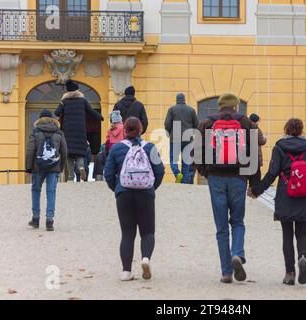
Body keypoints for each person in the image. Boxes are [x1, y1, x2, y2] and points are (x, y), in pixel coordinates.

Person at [249, 118, 306, 286]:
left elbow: (272, 173)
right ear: (301, 130)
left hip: (286, 195)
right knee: (302, 233)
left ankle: (290, 273)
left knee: (287, 235)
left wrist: (256, 190)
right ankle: (303, 257)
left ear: (286, 130)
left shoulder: (279, 147)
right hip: (304, 195)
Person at [194, 93, 259, 284]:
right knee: (238, 222)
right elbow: (255, 154)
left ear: (219, 107)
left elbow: (196, 152)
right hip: (239, 178)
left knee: (221, 227)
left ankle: (226, 272)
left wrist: (206, 172)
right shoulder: (247, 123)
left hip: (216, 178)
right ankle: (237, 253)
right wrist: (254, 183)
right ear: (236, 107)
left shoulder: (207, 123)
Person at [104, 117, 165, 281]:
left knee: (127, 233)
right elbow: (160, 171)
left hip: (124, 193)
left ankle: (126, 272)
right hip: (145, 193)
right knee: (148, 232)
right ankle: (145, 258)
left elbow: (108, 174)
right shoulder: (150, 147)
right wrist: (151, 187)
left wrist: (117, 189)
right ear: (141, 130)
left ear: (124, 130)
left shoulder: (116, 149)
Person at [25, 109, 67, 231]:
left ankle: (36, 219)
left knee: (36, 190)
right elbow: (64, 152)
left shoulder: (35, 131)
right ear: (53, 120)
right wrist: (61, 167)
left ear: (39, 119)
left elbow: (30, 150)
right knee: (51, 192)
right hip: (53, 166)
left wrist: (28, 167)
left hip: (38, 166)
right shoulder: (59, 133)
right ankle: (49, 221)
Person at [55, 80, 103, 182]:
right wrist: (100, 117)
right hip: (80, 132)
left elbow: (56, 113)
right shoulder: (83, 101)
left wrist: (61, 105)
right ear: (77, 90)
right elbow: (91, 111)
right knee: (80, 153)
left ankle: (70, 177)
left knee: (69, 154)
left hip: (68, 132)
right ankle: (81, 167)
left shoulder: (64, 102)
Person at [164, 93, 199, 184]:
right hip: (188, 138)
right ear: (184, 100)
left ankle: (177, 173)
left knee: (173, 159)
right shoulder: (191, 110)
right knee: (186, 160)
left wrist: (169, 132)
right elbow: (197, 124)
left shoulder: (172, 109)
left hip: (175, 137)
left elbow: (167, 123)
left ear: (177, 100)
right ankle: (183, 181)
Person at [248, 113, 267, 186]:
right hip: (255, 154)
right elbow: (261, 141)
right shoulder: (256, 128)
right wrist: (265, 138)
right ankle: (253, 190)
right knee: (256, 175)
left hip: (247, 154)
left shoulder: (246, 127)